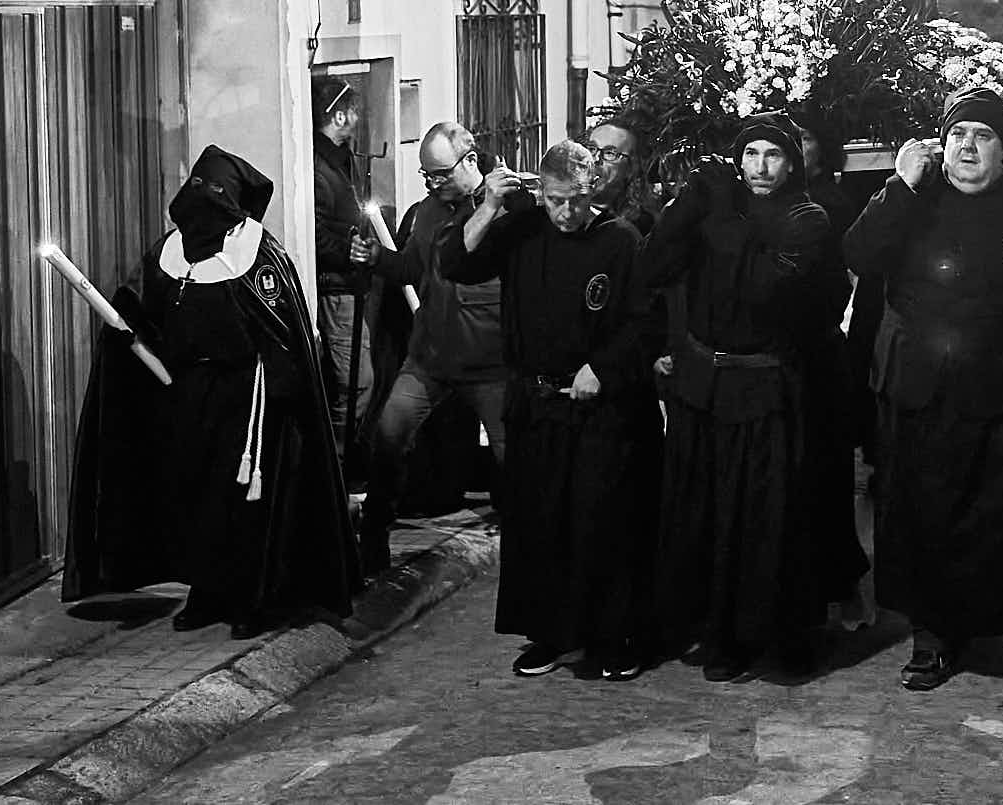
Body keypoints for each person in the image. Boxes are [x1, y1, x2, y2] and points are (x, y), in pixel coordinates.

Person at [844, 86, 1003, 691]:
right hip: (922, 395)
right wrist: (898, 186)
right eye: (957, 134)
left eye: (982, 136)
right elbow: (858, 252)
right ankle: (934, 638)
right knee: (925, 520)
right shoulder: (913, 201)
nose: (968, 147)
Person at [63, 147, 358, 637]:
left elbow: (287, 333)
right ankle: (206, 593)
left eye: (214, 194)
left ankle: (253, 599)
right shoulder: (168, 251)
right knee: (193, 499)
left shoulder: (260, 256)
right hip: (185, 395)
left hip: (250, 403)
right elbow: (139, 311)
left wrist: (282, 386)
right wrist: (122, 330)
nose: (201, 203)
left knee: (245, 508)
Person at [437, 140, 655, 679]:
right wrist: (487, 205)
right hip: (535, 403)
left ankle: (614, 637)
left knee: (601, 522)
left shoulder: (621, 241)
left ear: (592, 190)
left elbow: (645, 319)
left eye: (576, 200)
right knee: (539, 522)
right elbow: (455, 262)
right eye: (556, 200)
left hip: (599, 407)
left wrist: (602, 368)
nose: (565, 212)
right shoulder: (523, 229)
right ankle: (550, 633)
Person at [644, 114, 830, 681]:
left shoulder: (807, 218)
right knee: (707, 513)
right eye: (749, 155)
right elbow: (654, 266)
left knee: (761, 518)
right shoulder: (715, 208)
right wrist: (686, 209)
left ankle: (765, 633)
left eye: (772, 155)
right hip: (706, 387)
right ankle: (712, 626)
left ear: (792, 162)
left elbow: (760, 292)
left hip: (764, 389)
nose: (759, 168)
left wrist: (720, 216)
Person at [355, 124, 508, 574]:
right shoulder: (426, 212)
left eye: (440, 174)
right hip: (431, 355)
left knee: (511, 457)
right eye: (427, 175)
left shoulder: (504, 209)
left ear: (471, 161)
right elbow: (412, 267)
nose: (433, 184)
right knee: (389, 434)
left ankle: (529, 548)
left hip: (489, 360)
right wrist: (377, 259)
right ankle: (374, 534)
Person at [789, 111, 871, 626]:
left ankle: (841, 584)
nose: (798, 148)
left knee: (827, 475)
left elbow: (848, 280)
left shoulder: (834, 204)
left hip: (821, 352)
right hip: (777, 358)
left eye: (806, 138)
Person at [311, 79, 375, 465]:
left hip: (351, 286)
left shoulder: (340, 161)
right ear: (338, 115)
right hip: (337, 291)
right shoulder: (321, 170)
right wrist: (346, 251)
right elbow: (315, 232)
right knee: (354, 384)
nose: (358, 119)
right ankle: (335, 468)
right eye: (353, 111)